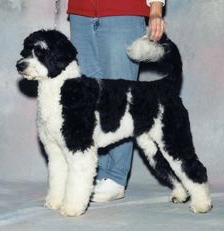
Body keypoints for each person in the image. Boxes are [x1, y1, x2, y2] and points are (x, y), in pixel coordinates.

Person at [66, 0, 166, 202]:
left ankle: (116, 176)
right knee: (90, 100)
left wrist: (156, 7)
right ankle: (97, 172)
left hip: (123, 11)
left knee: (121, 99)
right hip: (80, 13)